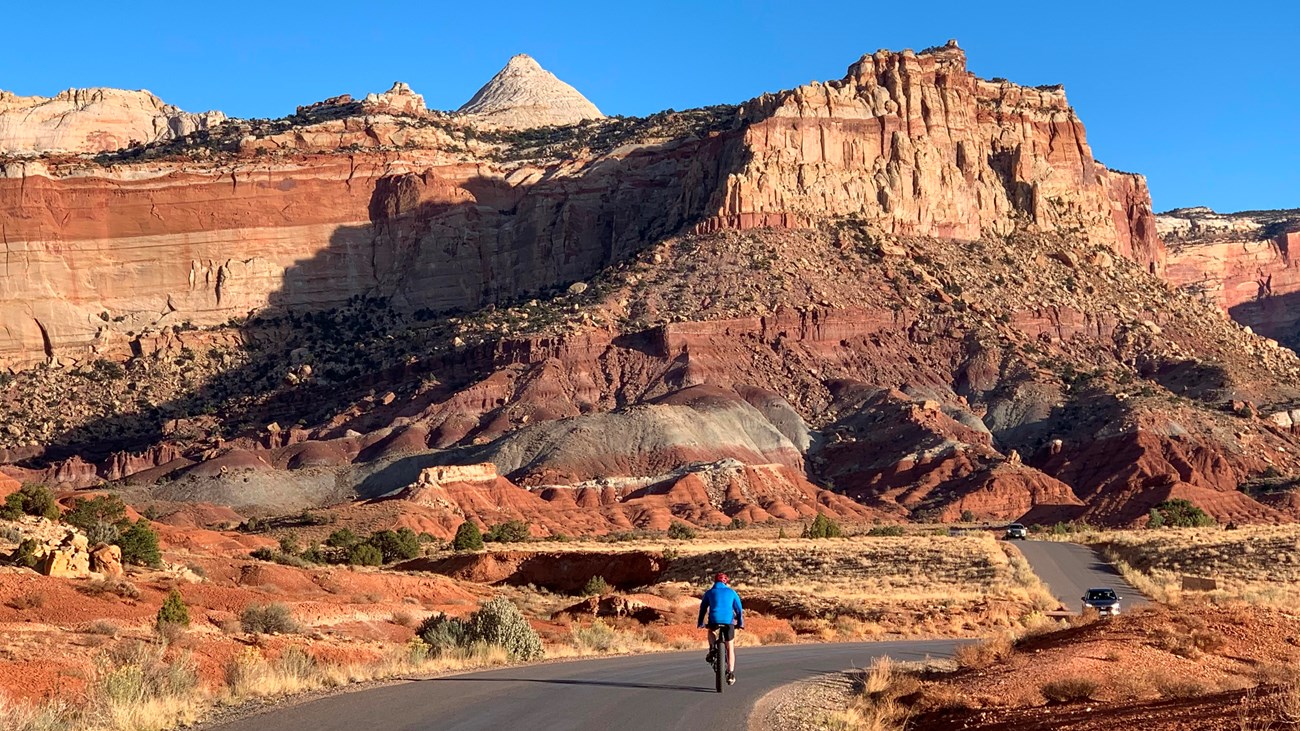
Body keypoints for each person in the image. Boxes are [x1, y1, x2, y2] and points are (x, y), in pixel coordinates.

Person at [698, 572, 743, 685]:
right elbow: (739, 610)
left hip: (714, 620)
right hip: (728, 622)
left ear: (715, 581)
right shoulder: (732, 592)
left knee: (711, 630)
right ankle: (731, 673)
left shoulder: (709, 592)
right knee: (730, 648)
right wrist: (740, 623)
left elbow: (703, 608)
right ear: (726, 582)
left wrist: (700, 623)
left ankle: (713, 648)